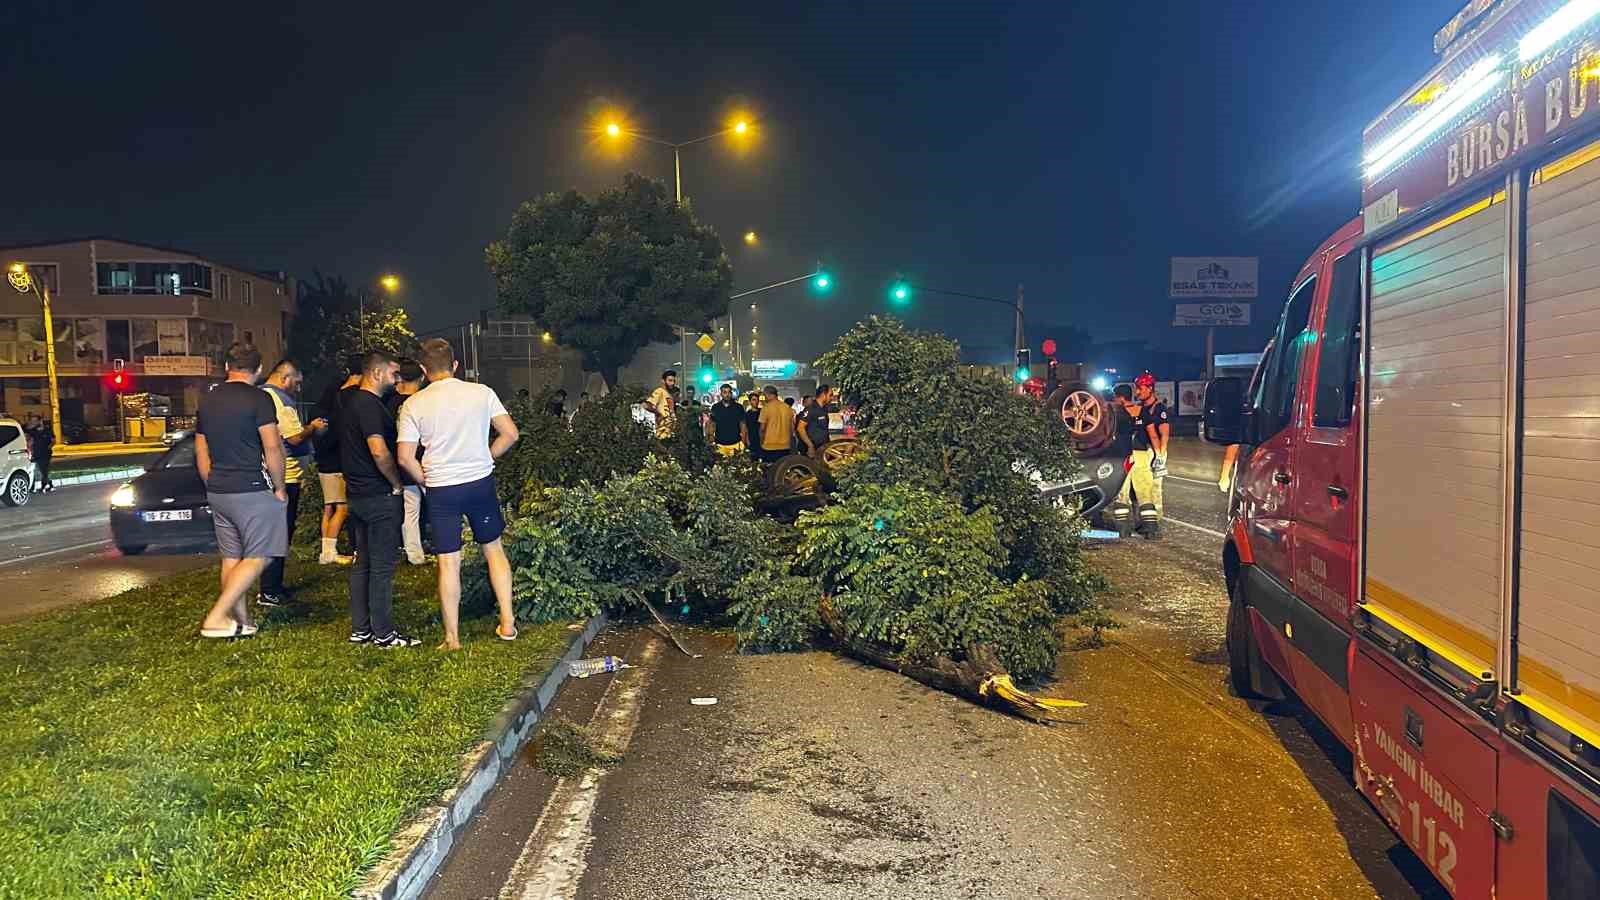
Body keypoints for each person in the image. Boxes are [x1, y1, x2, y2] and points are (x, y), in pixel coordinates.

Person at [397, 338, 520, 650]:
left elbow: (404, 457)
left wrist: (426, 480)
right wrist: (487, 457)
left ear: (423, 370)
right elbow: (510, 434)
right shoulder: (481, 393)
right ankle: (507, 623)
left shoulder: (414, 404)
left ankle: (452, 638)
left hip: (442, 490)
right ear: (455, 365)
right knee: (494, 550)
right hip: (479, 483)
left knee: (448, 562)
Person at [195, 343, 287, 639]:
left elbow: (201, 449)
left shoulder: (208, 400)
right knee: (262, 554)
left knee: (232, 557)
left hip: (219, 489)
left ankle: (241, 622)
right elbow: (272, 447)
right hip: (249, 487)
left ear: (227, 367)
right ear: (259, 370)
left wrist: (212, 481)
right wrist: (280, 487)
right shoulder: (259, 399)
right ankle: (216, 617)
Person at [338, 350, 419, 648]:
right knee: (382, 568)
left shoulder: (350, 404)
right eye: (393, 373)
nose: (397, 379)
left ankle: (361, 629)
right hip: (378, 496)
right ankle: (384, 633)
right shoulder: (370, 406)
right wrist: (396, 483)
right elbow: (378, 449)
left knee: (363, 565)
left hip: (357, 496)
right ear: (376, 373)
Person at [260, 360, 327, 606]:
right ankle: (269, 589)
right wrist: (314, 427)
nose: (298, 389)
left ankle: (272, 585)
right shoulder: (278, 400)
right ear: (285, 378)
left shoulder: (261, 396)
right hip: (284, 476)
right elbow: (295, 437)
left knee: (275, 534)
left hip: (271, 475)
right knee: (279, 534)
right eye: (296, 383)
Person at [313, 359, 362, 564]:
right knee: (342, 508)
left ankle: (325, 552)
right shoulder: (337, 415)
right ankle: (329, 552)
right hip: (335, 465)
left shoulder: (319, 414)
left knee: (329, 508)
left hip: (323, 465)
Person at [387, 359, 430, 565]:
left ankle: (414, 554)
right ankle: (447, 548)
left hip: (403, 462)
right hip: (428, 461)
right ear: (421, 378)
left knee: (410, 510)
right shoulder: (423, 402)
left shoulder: (390, 404)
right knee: (440, 506)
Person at [1129, 372, 1171, 538]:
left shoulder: (1159, 409)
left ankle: (1155, 521)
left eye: (1140, 388)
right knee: (1139, 487)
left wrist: (1160, 455)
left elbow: (1164, 433)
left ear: (1150, 388)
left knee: (1154, 488)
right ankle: (1143, 521)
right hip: (1142, 451)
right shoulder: (1141, 408)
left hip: (1154, 451)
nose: (1137, 392)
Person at [706, 383, 747, 456]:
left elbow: (743, 425)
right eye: (724, 392)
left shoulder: (738, 407)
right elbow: (712, 424)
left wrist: (743, 442)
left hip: (735, 443)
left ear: (731, 393)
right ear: (721, 394)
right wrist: (711, 440)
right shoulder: (716, 407)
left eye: (729, 392)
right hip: (720, 444)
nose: (727, 395)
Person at [758, 385, 795, 461]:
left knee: (770, 470)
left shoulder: (766, 408)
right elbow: (791, 429)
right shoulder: (787, 408)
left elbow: (762, 429)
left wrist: (761, 443)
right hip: (785, 447)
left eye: (765, 395)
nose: (764, 398)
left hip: (769, 446)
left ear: (769, 394)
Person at [797, 385, 834, 459]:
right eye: (830, 395)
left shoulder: (824, 409)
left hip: (823, 449)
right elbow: (800, 428)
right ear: (823, 395)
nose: (832, 398)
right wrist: (810, 446)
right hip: (812, 450)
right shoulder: (811, 408)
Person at [26, 414, 54, 493]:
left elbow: (53, 440)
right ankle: (45, 486)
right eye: (32, 420)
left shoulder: (48, 430)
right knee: (35, 470)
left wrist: (49, 446)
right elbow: (27, 430)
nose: (33, 422)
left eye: (35, 420)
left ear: (40, 421)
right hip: (36, 453)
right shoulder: (33, 431)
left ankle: (44, 486)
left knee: (44, 470)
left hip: (46, 453)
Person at [644, 370, 677, 439]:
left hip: (670, 432)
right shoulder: (659, 391)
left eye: (674, 381)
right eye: (670, 381)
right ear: (663, 381)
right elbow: (646, 405)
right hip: (661, 432)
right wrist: (659, 414)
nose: (672, 383)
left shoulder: (670, 395)